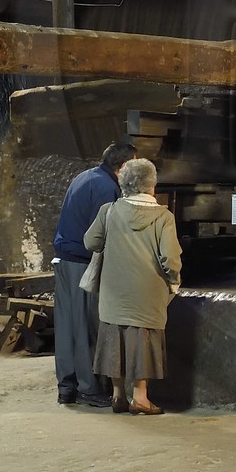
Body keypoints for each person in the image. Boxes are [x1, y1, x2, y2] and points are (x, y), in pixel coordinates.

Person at [83, 157, 182, 416]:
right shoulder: (164, 216)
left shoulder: (109, 211)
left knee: (115, 336)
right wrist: (174, 281)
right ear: (152, 186)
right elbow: (170, 258)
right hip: (148, 293)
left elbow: (90, 242)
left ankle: (118, 395)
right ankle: (141, 397)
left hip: (114, 291)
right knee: (143, 339)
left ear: (123, 183)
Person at [51, 140, 136, 407]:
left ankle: (67, 388)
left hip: (63, 261)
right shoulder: (106, 188)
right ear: (122, 167)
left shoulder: (83, 177)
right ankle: (89, 389)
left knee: (66, 329)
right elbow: (102, 233)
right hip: (82, 263)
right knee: (87, 328)